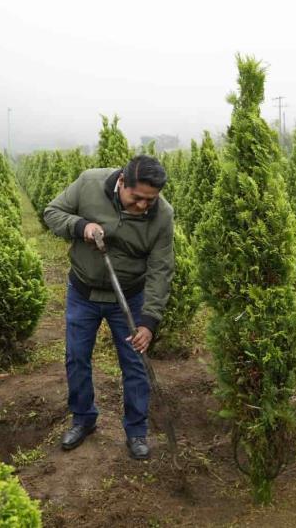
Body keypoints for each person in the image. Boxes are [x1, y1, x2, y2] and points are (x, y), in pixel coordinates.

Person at [44, 155, 174, 460]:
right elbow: (52, 212)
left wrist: (149, 321)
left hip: (128, 298)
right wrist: (81, 226)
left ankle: (137, 429)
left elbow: (161, 267)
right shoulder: (89, 183)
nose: (143, 205)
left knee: (135, 364)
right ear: (121, 182)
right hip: (83, 292)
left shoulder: (162, 215)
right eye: (137, 197)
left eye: (150, 200)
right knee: (76, 357)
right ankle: (83, 418)